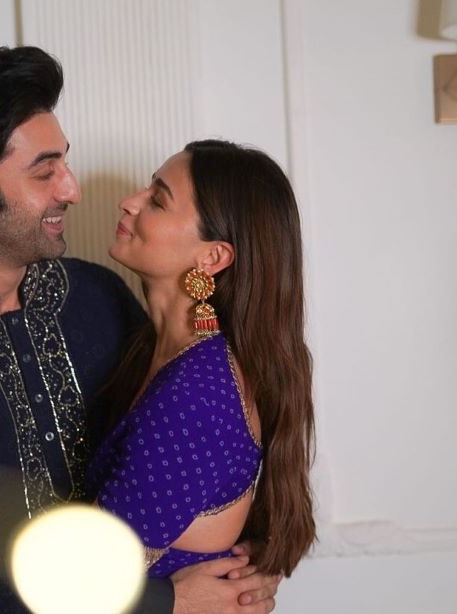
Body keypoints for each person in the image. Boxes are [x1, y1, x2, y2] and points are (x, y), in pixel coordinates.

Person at [0, 46, 279, 613]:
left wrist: (248, 556)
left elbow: (192, 454)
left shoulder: (99, 297)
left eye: (64, 163)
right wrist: (166, 602)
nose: (72, 189)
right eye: (44, 172)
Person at [88, 139, 316, 580]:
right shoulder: (155, 347)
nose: (129, 202)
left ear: (212, 257)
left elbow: (88, 573)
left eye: (157, 200)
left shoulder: (198, 394)